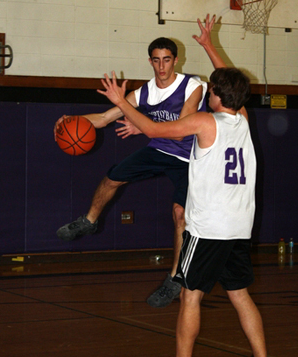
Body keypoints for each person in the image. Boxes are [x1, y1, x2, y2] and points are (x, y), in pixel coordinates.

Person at [97, 15, 279, 357]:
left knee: (190, 295)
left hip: (209, 228)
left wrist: (120, 102)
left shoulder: (203, 123)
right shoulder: (242, 119)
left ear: (215, 96)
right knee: (240, 295)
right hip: (240, 229)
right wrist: (209, 46)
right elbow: (231, 85)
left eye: (212, 88)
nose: (208, 91)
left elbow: (151, 130)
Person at [55, 37, 207, 308]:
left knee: (180, 213)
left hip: (190, 156)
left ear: (176, 60)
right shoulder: (145, 92)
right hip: (160, 148)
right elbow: (103, 119)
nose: (162, 66)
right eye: (156, 60)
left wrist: (143, 125)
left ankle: (175, 277)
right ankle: (89, 221)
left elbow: (183, 125)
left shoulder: (192, 85)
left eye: (167, 59)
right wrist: (72, 121)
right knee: (112, 176)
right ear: (150, 61)